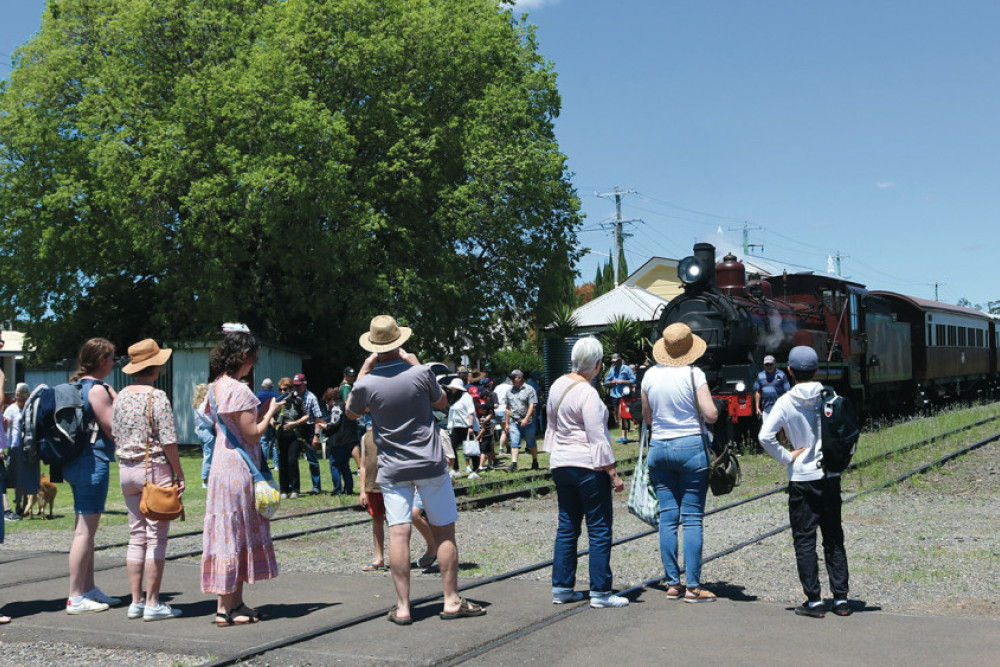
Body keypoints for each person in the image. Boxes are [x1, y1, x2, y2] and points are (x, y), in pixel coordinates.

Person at [346, 315, 485, 624]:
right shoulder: (420, 373)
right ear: (400, 342)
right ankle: (450, 600)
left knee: (398, 533)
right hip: (429, 462)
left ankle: (404, 607)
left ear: (373, 347)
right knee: (444, 530)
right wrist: (417, 363)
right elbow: (441, 402)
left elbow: (351, 413)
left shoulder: (367, 383)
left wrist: (363, 372)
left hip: (393, 467)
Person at [759, 345, 851, 618]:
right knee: (834, 536)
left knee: (804, 539)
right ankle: (842, 599)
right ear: (817, 370)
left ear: (790, 371)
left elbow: (765, 436)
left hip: (802, 477)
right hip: (830, 476)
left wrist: (787, 457)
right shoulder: (831, 396)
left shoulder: (785, 401)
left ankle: (814, 601)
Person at [201, 331, 285, 626]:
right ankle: (225, 608)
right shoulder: (240, 391)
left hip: (221, 467)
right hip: (239, 468)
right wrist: (270, 412)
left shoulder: (215, 387)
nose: (253, 365)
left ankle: (235, 604)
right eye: (253, 359)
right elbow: (252, 433)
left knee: (227, 530)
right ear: (246, 358)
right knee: (234, 534)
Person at [544, 336, 628, 608]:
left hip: (561, 463)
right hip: (587, 467)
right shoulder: (588, 393)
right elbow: (597, 437)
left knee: (567, 526)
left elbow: (551, 424)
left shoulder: (558, 385)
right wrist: (613, 474)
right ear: (598, 364)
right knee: (599, 528)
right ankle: (601, 592)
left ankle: (562, 587)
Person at [640, 323, 719, 603]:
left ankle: (672, 584)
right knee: (693, 518)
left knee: (668, 517)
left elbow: (647, 418)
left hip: (659, 448)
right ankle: (693, 587)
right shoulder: (693, 374)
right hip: (690, 448)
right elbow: (710, 414)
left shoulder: (649, 376)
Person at [111, 339, 184, 621]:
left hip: (126, 470)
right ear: (155, 366)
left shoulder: (121, 397)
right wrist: (178, 473)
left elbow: (115, 433)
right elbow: (168, 440)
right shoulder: (157, 397)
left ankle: (136, 601)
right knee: (156, 538)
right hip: (153, 469)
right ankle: (153, 603)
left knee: (136, 535)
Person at [64, 338, 121, 614]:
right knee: (84, 532)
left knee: (85, 529)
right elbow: (114, 428)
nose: (113, 363)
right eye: (111, 358)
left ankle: (88, 588)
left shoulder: (76, 386)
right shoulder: (97, 390)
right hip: (92, 462)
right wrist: (115, 397)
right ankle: (76, 596)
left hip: (75, 463)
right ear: (101, 361)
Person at [3, 383, 34, 518]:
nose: (21, 398)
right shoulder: (10, 410)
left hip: (29, 447)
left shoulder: (30, 409)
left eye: (24, 395)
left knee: (29, 476)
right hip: (15, 448)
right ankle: (18, 505)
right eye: (18, 395)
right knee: (17, 478)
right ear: (15, 396)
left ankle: (28, 505)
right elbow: (3, 429)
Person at [273, 377, 306, 498]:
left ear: (291, 389)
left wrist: (295, 423)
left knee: (292, 460)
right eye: (281, 389)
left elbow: (306, 416)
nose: (283, 392)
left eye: (285, 389)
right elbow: (270, 415)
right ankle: (283, 490)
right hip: (281, 435)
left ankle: (295, 489)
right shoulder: (277, 401)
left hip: (294, 436)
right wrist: (272, 422)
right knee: (282, 462)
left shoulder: (297, 401)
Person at [292, 374, 325, 494]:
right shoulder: (293, 397)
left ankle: (316, 486)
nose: (296, 388)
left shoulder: (311, 398)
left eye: (298, 386)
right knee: (293, 458)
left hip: (310, 429)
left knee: (312, 459)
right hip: (297, 429)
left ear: (304, 384)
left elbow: (318, 418)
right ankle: (294, 487)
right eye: (295, 386)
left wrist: (316, 436)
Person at [503, 370, 539, 472]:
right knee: (514, 442)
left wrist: (526, 419)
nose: (511, 380)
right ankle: (514, 464)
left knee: (531, 442)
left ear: (519, 378)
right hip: (514, 421)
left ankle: (535, 461)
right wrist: (506, 423)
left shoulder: (529, 389)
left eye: (513, 378)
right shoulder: (509, 391)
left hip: (528, 421)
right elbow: (507, 408)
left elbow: (532, 405)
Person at [446, 378, 480, 478]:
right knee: (451, 447)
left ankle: (475, 470)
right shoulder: (454, 399)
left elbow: (471, 412)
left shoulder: (466, 397)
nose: (452, 389)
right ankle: (456, 469)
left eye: (453, 387)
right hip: (456, 427)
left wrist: (470, 426)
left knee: (471, 449)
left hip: (466, 427)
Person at [604, 353, 636, 440]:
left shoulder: (627, 369)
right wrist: (612, 382)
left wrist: (623, 381)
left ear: (620, 360)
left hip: (624, 394)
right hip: (615, 394)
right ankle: (623, 432)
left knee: (623, 414)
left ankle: (624, 436)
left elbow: (633, 380)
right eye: (614, 362)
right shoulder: (612, 370)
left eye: (616, 361)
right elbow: (606, 382)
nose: (615, 363)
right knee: (618, 414)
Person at [754, 355, 790, 421]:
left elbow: (787, 391)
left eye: (771, 364)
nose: (769, 366)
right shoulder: (760, 375)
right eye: (767, 365)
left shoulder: (781, 374)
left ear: (774, 363)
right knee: (767, 429)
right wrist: (757, 407)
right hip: (766, 407)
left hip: (779, 407)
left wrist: (785, 406)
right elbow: (758, 392)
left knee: (779, 428)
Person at [256, 379, 280, 468]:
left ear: (263, 385)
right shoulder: (277, 395)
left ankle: (264, 464)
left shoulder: (258, 396)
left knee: (263, 442)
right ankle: (276, 465)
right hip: (274, 420)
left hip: (263, 421)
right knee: (274, 443)